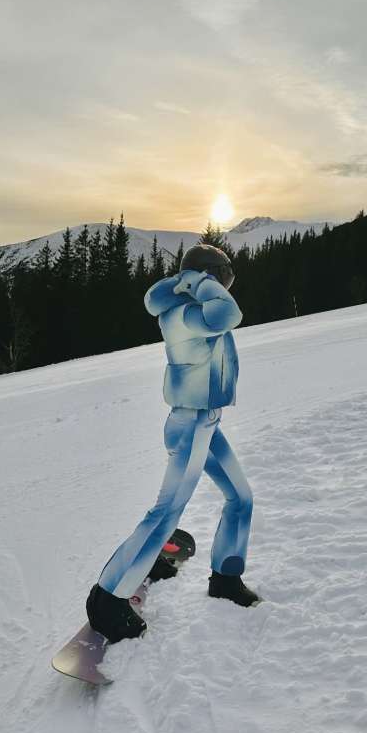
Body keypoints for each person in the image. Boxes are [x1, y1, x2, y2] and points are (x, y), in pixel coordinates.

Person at [86, 243, 258, 643]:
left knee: (240, 497)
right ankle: (107, 600)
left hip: (208, 422)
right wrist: (198, 281)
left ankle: (226, 579)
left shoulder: (193, 311)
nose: (226, 287)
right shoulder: (183, 315)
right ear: (204, 278)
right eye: (221, 278)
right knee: (166, 512)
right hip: (189, 425)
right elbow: (228, 313)